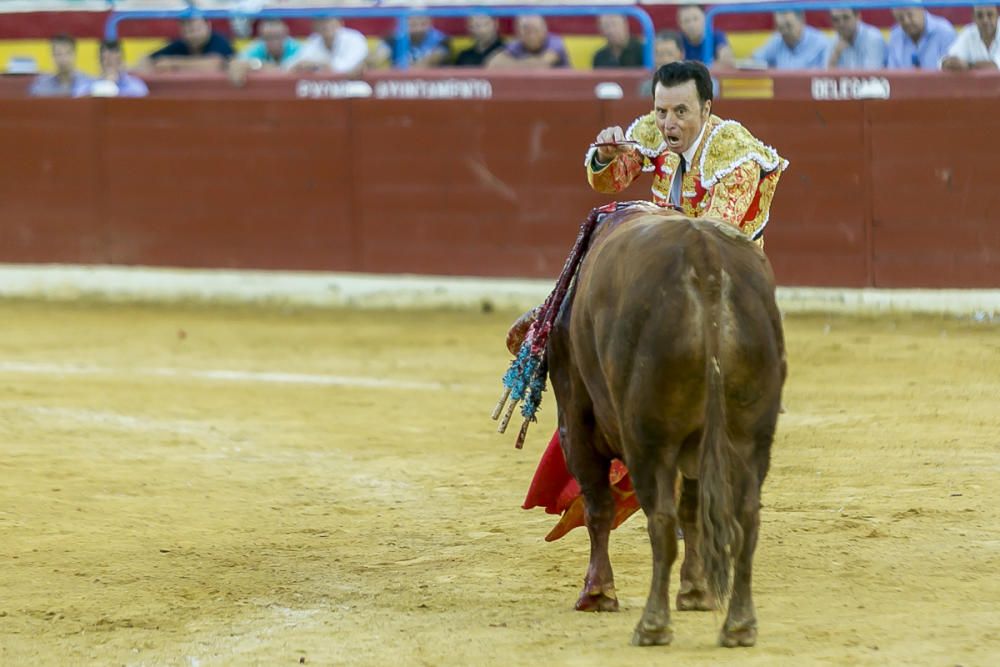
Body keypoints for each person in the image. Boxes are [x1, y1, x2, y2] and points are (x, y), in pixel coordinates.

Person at [517, 61, 787, 540]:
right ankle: (559, 337)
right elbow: (611, 180)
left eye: (681, 111)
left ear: (706, 109)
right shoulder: (653, 131)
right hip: (667, 272)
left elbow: (711, 236)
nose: (668, 124)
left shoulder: (737, 156)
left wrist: (647, 229)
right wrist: (605, 156)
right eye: (662, 111)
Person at [142, 16, 234, 73]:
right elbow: (147, 59)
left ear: (208, 25)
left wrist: (172, 63)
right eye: (188, 30)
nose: (193, 35)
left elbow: (213, 65)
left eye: (197, 29)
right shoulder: (180, 44)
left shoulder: (219, 41)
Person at [284, 18, 367, 75]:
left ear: (340, 22)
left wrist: (319, 65)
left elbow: (347, 67)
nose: (326, 25)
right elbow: (290, 65)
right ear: (314, 26)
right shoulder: (313, 40)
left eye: (329, 20)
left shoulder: (354, 38)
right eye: (321, 21)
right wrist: (300, 65)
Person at [752, 10, 830, 69]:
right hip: (783, 89)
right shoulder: (777, 40)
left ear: (801, 20)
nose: (784, 33)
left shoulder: (820, 43)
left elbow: (829, 73)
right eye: (780, 28)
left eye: (788, 26)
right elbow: (753, 62)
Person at [487, 15, 570, 68]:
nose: (532, 36)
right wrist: (527, 64)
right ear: (518, 33)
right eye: (527, 31)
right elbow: (492, 64)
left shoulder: (555, 41)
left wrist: (511, 65)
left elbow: (541, 65)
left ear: (545, 30)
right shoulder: (516, 44)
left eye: (535, 30)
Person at [369, 14, 449, 68]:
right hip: (398, 83)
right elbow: (377, 58)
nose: (418, 28)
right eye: (413, 24)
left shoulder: (440, 40)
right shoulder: (393, 38)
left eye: (423, 23)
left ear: (430, 22)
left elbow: (432, 60)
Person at [887, 7, 956, 69]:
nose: (906, 21)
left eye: (910, 15)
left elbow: (950, 74)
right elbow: (892, 74)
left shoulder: (944, 32)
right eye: (900, 18)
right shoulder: (895, 36)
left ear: (922, 9)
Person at [79, 40, 148, 97]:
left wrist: (113, 86)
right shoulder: (88, 84)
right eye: (107, 61)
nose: (112, 65)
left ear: (122, 61)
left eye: (116, 60)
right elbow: (78, 97)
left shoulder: (135, 84)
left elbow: (142, 97)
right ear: (99, 62)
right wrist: (104, 85)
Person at [941, 5, 999, 70]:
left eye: (990, 15)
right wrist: (950, 63)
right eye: (980, 15)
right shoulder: (968, 32)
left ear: (997, 16)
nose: (985, 20)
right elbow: (946, 61)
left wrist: (967, 66)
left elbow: (995, 67)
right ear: (973, 18)